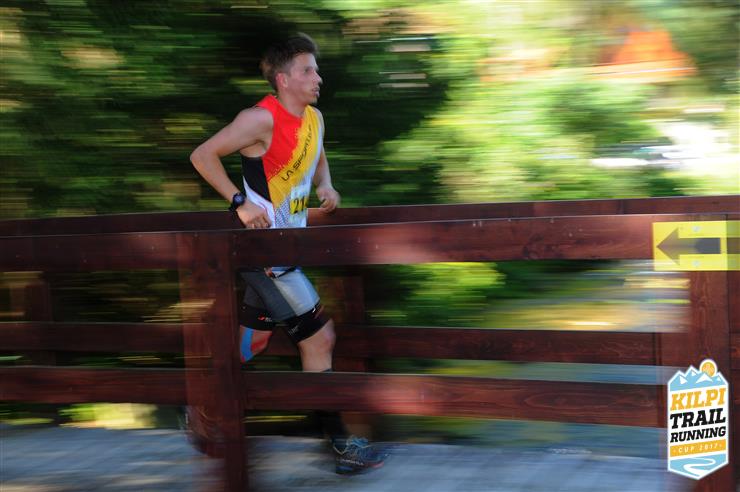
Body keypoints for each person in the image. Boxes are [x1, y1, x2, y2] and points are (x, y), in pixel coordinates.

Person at [189, 33, 386, 475]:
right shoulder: (259, 120)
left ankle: (201, 405)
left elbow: (317, 155)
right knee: (320, 339)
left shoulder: (314, 118)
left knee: (255, 341)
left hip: (286, 250)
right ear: (283, 79)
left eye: (316, 69)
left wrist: (326, 185)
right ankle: (341, 446)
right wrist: (239, 203)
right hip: (265, 255)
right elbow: (202, 156)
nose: (318, 77)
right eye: (307, 70)